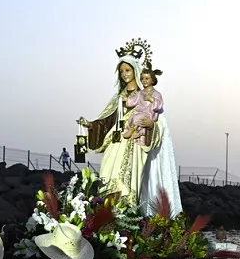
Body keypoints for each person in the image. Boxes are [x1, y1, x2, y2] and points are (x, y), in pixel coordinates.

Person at [76, 41, 182, 217]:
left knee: (128, 181)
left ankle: (127, 217)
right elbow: (108, 119)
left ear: (136, 71)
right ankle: (105, 217)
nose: (125, 74)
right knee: (107, 172)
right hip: (116, 140)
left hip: (134, 144)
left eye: (128, 70)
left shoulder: (146, 95)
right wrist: (91, 125)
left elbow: (159, 121)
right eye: (122, 71)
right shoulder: (119, 97)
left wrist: (151, 126)